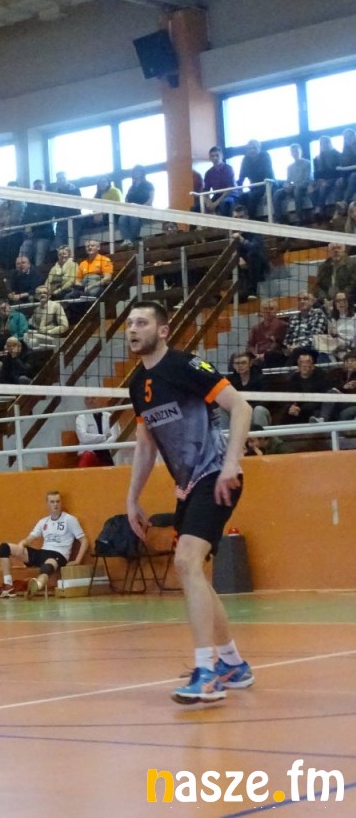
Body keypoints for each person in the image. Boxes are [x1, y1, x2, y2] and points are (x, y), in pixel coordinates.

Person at [124, 300, 254, 704]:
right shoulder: (136, 384)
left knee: (185, 562)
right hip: (188, 486)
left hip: (216, 476)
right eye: (129, 323)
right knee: (192, 571)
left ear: (162, 331)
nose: (132, 329)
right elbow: (146, 445)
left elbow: (241, 406)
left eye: (141, 323)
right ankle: (232, 664)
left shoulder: (185, 366)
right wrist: (132, 498)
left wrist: (231, 463)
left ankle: (206, 672)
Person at [0, 492, 87, 599]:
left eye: (57, 501)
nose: (55, 504)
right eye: (52, 502)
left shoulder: (69, 519)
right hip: (42, 553)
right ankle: (8, 586)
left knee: (47, 567)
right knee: (3, 548)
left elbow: (84, 541)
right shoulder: (43, 522)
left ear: (61, 503)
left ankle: (36, 586)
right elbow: (30, 538)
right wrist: (22, 544)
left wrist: (77, 561)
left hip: (58, 554)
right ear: (47, 504)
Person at [284, 349, 339, 425]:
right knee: (288, 414)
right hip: (301, 408)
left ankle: (321, 422)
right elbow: (289, 397)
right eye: (301, 363)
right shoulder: (294, 379)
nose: (304, 365)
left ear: (313, 366)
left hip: (318, 406)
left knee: (317, 412)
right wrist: (291, 407)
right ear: (298, 367)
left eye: (307, 362)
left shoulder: (321, 375)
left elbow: (325, 394)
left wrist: (305, 407)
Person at [225, 352, 272, 429]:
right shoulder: (229, 380)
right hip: (238, 412)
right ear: (233, 366)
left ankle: (259, 435)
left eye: (243, 363)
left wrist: (247, 408)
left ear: (250, 364)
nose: (240, 365)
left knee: (259, 410)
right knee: (222, 408)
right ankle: (225, 435)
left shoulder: (261, 378)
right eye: (237, 363)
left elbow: (264, 401)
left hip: (255, 411)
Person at [75, 397, 120, 467]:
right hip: (89, 452)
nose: (90, 401)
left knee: (113, 458)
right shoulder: (81, 417)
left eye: (93, 398)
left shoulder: (109, 416)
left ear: (100, 399)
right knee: (87, 456)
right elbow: (83, 438)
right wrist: (104, 437)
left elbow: (115, 436)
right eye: (87, 398)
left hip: (106, 452)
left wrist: (101, 447)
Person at [275, 142, 313, 223]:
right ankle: (279, 219)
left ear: (300, 151)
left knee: (297, 190)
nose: (295, 153)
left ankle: (299, 217)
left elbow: (308, 179)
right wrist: (286, 186)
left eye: (296, 151)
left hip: (303, 188)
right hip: (292, 187)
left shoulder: (307, 163)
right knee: (277, 193)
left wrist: (295, 186)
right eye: (293, 151)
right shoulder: (290, 167)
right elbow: (288, 180)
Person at [247, 299, 288, 369]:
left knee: (270, 355)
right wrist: (255, 354)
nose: (268, 311)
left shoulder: (283, 326)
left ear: (276, 310)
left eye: (271, 309)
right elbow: (250, 345)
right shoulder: (255, 328)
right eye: (265, 309)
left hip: (275, 356)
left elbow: (279, 344)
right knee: (236, 357)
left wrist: (264, 355)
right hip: (258, 357)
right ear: (261, 311)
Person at [23, 285, 68, 349]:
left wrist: (49, 331)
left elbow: (64, 326)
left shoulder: (56, 306)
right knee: (26, 336)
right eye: (39, 293)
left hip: (53, 337)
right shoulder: (36, 310)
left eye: (45, 293)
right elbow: (36, 327)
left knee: (32, 342)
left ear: (49, 295)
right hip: (41, 336)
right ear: (36, 296)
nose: (42, 295)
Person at [120, 165, 155, 245]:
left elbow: (151, 199)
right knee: (122, 219)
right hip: (131, 210)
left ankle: (133, 240)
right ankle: (126, 239)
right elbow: (127, 199)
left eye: (138, 171)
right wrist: (128, 207)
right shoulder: (131, 188)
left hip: (144, 209)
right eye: (135, 172)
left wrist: (141, 208)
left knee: (134, 218)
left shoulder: (149, 185)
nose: (136, 173)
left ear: (142, 173)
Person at [202, 146, 238, 217]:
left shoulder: (228, 169)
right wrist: (209, 202)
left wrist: (216, 203)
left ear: (222, 156)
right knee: (196, 208)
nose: (215, 158)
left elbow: (229, 189)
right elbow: (205, 190)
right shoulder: (208, 173)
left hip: (230, 195)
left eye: (217, 155)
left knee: (224, 203)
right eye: (212, 156)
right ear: (210, 158)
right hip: (217, 195)